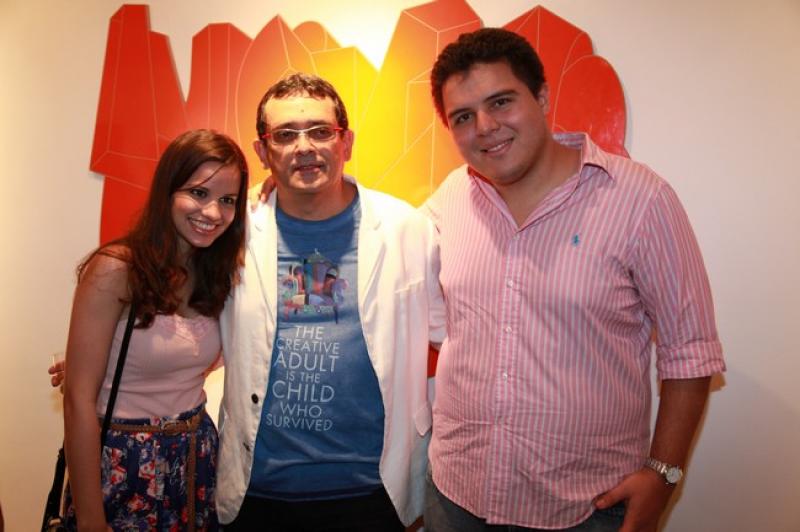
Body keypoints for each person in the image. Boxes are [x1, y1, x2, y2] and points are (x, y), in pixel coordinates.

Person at [422, 28, 725, 532]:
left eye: (501, 101)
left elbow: (690, 351)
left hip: (587, 510)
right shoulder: (450, 199)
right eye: (463, 117)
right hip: (456, 497)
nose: (486, 127)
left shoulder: (640, 199)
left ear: (541, 97)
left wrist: (663, 475)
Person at [215, 73, 445, 530]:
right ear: (263, 152)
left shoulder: (408, 229)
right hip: (259, 493)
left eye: (320, 131)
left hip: (373, 492)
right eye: (285, 135)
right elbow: (183, 325)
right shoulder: (232, 233)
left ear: (346, 143)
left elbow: (457, 337)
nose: (304, 147)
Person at [61, 129, 248, 531]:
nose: (213, 212)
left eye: (228, 200)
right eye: (198, 193)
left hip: (196, 462)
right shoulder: (117, 269)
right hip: (123, 465)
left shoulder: (217, 274)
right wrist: (92, 521)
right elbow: (78, 400)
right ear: (167, 190)